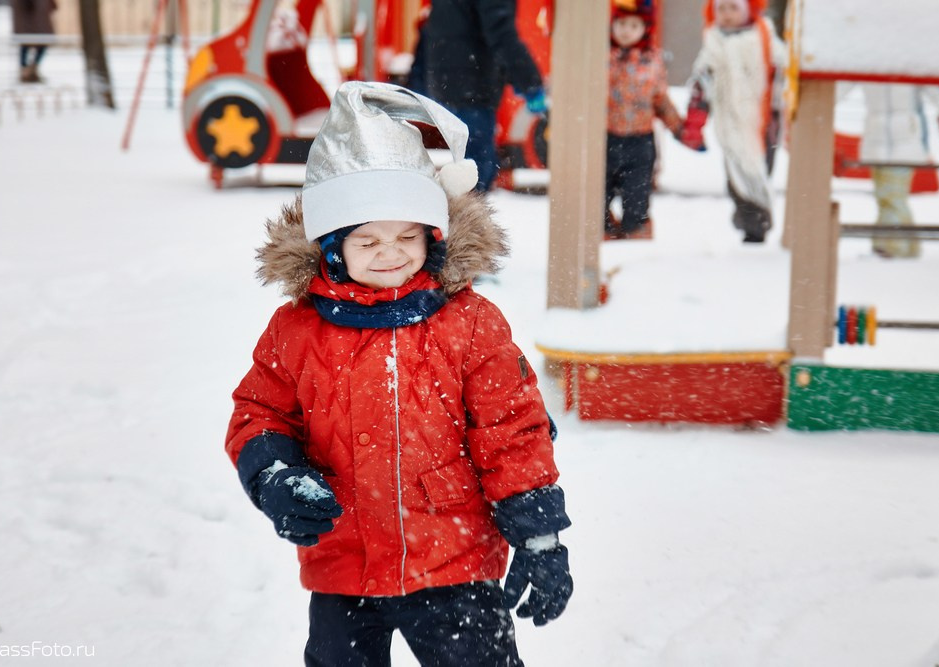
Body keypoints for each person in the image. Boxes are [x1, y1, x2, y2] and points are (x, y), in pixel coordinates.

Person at [225, 81, 573, 666]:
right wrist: (276, 476)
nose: (391, 253)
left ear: (431, 235)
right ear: (332, 247)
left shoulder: (469, 324)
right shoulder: (297, 330)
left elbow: (512, 431)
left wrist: (538, 536)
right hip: (344, 565)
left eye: (407, 236)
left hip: (453, 563)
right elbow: (259, 413)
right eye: (368, 240)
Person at [680, 0, 787, 243]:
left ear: (747, 10)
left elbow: (783, 66)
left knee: (761, 170)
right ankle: (752, 224)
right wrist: (697, 117)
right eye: (722, 9)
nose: (727, 15)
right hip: (730, 121)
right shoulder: (714, 42)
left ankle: (757, 219)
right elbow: (702, 80)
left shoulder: (764, 34)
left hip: (763, 120)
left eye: (733, 8)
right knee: (737, 173)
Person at [414, 0, 548, 192]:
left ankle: (459, 215)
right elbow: (501, 33)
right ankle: (464, 218)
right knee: (476, 171)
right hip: (472, 84)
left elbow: (433, 27)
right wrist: (529, 81)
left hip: (450, 80)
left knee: (469, 168)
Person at [605, 0, 684, 241]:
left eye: (633, 25)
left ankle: (635, 227)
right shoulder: (604, 57)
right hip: (606, 137)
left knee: (637, 193)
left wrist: (679, 127)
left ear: (644, 29)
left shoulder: (651, 60)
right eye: (621, 24)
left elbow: (660, 99)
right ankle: (603, 228)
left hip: (640, 141)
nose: (626, 30)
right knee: (599, 191)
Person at [856, 83, 939, 259]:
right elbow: (840, 89)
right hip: (876, 141)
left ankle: (894, 248)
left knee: (893, 197)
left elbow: (936, 92)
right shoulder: (869, 64)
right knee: (885, 198)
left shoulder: (906, 64)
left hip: (904, 142)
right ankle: (906, 247)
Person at [11, 0, 57, 84]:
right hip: (32, 23)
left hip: (37, 23)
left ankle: (30, 70)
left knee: (36, 46)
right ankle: (27, 71)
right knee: (26, 46)